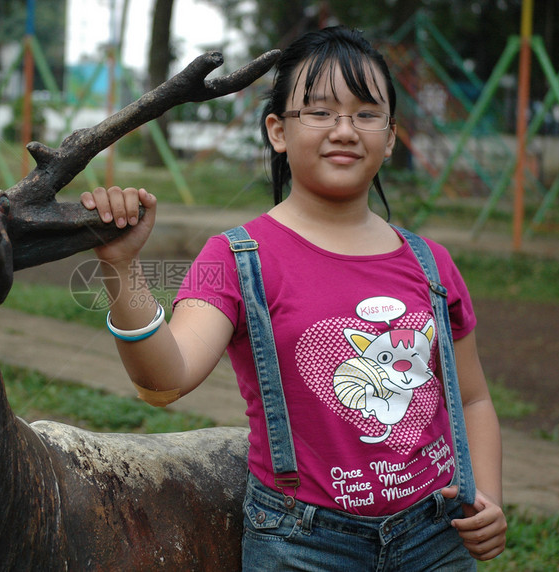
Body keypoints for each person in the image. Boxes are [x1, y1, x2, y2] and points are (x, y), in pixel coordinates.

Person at [81, 26, 506, 570]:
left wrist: (486, 493)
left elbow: (471, 399)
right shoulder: (237, 258)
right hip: (303, 545)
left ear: (392, 135)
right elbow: (165, 380)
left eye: (366, 113)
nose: (346, 130)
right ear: (278, 131)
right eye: (321, 112)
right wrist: (121, 266)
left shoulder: (431, 263)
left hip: (436, 537)